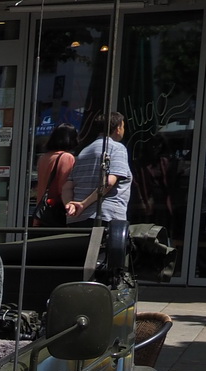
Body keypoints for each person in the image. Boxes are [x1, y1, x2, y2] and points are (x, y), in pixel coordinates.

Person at [66, 113, 132, 264]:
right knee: (104, 267)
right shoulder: (117, 148)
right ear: (118, 128)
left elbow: (67, 185)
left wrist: (70, 205)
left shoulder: (84, 151)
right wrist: (83, 204)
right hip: (106, 216)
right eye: (123, 126)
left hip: (78, 218)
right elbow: (108, 182)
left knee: (82, 264)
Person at [32, 124, 78, 228]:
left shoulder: (44, 157)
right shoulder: (66, 157)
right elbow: (63, 188)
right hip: (56, 212)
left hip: (42, 211)